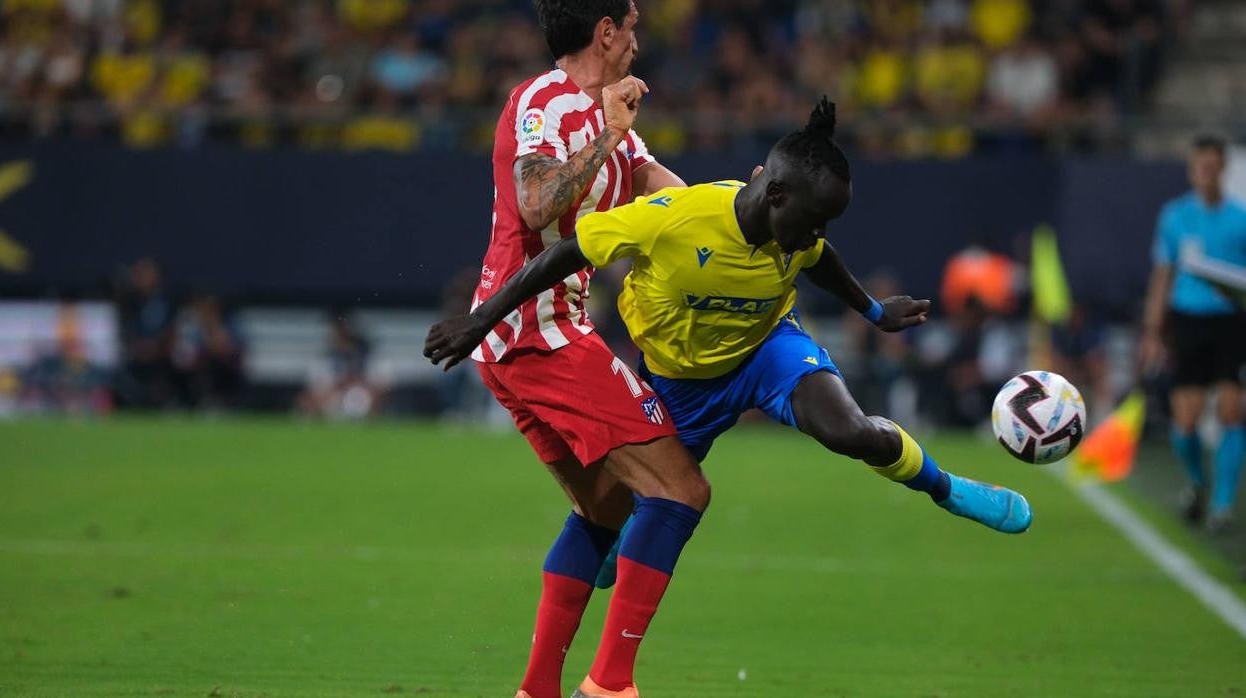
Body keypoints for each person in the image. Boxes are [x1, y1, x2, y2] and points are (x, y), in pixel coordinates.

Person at [426, 96, 1034, 667]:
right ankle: (555, 659)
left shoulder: (799, 233)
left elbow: (819, 260)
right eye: (814, 219)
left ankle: (945, 488)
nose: (818, 235)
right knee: (606, 514)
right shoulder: (677, 217)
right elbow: (566, 253)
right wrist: (481, 320)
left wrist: (873, 311)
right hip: (676, 385)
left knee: (850, 430)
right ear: (773, 193)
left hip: (767, 350)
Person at [446, 2, 700, 697]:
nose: (639, 43)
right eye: (633, 27)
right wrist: (607, 136)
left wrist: (735, 225)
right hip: (536, 336)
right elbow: (535, 204)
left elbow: (666, 194)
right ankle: (610, 685)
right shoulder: (546, 102)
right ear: (606, 32)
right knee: (680, 488)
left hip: (544, 336)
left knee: (606, 509)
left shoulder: (612, 120)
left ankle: (537, 690)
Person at [1141, 135, 1246, 532]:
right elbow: (1163, 275)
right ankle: (1198, 484)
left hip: (1232, 321)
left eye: (1213, 165)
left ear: (1223, 168)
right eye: (1199, 166)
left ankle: (1222, 506)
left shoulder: (1241, 218)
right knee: (1186, 421)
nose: (1206, 172)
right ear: (1191, 170)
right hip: (1188, 320)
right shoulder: (1175, 217)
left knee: (1232, 410)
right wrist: (1152, 331)